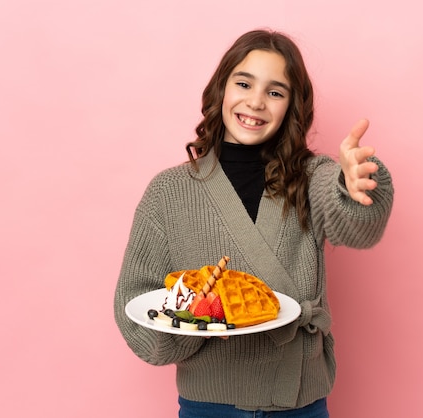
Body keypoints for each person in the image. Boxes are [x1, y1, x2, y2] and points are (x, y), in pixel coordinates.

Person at [114, 29, 394, 417]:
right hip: (210, 404)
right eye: (244, 83)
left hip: (300, 401)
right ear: (221, 89)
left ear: (292, 108)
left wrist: (356, 184)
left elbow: (357, 228)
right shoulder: (168, 192)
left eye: (275, 92)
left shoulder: (314, 177)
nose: (256, 102)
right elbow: (135, 299)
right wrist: (194, 327)